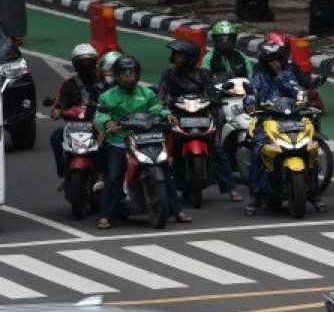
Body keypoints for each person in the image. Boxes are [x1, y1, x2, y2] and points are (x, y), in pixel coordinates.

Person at [93, 56, 189, 229]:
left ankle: (177, 210)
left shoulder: (146, 93)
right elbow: (100, 115)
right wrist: (108, 123)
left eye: (132, 73)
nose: (129, 77)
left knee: (165, 171)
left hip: (146, 137)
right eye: (125, 74)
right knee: (115, 175)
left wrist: (167, 115)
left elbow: (157, 108)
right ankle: (105, 215)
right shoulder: (108, 96)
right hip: (120, 140)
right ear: (117, 75)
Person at [157, 39, 241, 202]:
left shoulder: (203, 73)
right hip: (177, 116)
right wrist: (165, 105)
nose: (176, 57)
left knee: (217, 150)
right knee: (166, 149)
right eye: (176, 54)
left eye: (180, 54)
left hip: (200, 116)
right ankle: (165, 188)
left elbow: (210, 93)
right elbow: (162, 93)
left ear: (190, 57)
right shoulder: (169, 73)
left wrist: (214, 101)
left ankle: (230, 188)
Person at [243, 35, 305, 215]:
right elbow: (251, 93)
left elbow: (298, 91)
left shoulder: (288, 75)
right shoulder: (258, 78)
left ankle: (313, 192)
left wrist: (280, 76)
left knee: (310, 146)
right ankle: (255, 196)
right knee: (259, 151)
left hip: (292, 120)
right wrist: (250, 104)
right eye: (270, 61)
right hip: (268, 121)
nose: (274, 63)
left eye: (277, 60)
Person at [49, 43, 102, 189]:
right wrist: (56, 111)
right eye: (81, 62)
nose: (86, 65)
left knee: (111, 143)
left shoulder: (103, 81)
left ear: (95, 62)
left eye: (89, 61)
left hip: (99, 125)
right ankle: (64, 172)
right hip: (74, 127)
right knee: (56, 137)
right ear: (75, 64)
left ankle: (107, 175)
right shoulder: (68, 85)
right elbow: (58, 104)